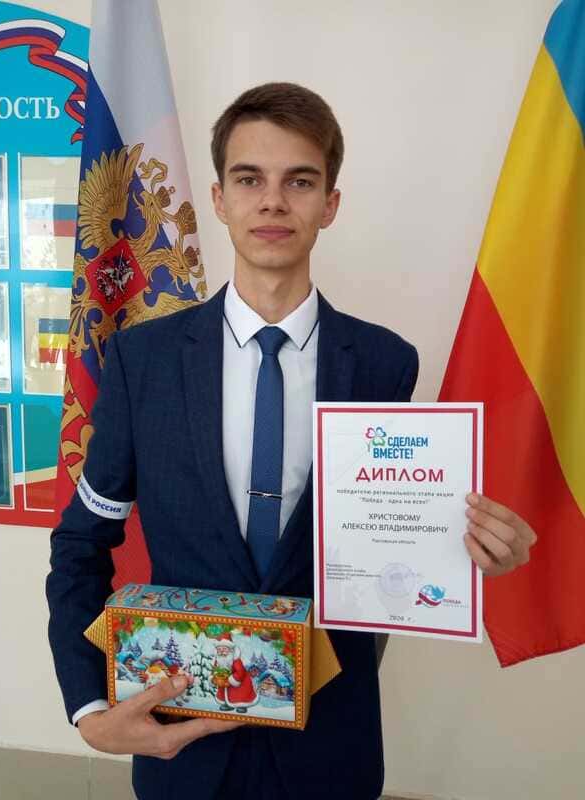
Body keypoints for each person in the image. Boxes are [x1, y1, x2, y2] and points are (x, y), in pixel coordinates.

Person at [46, 82, 537, 800]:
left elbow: (389, 539)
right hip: (181, 740)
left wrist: (474, 555)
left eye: (299, 181)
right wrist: (89, 707)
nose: (273, 202)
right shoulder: (141, 361)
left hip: (329, 745)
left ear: (329, 203)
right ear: (219, 199)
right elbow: (81, 544)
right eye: (250, 179)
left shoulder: (384, 363)